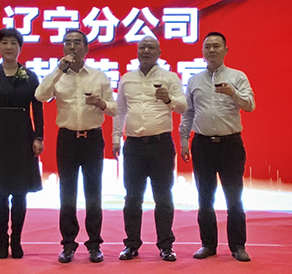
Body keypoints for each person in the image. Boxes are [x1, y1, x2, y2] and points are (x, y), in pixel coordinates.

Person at [35, 30, 117, 264]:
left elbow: (114, 109)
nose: (72, 47)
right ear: (63, 48)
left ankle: (94, 244)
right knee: (67, 193)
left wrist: (101, 103)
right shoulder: (58, 75)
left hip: (92, 139)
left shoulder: (99, 76)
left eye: (77, 43)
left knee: (93, 193)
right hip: (67, 139)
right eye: (68, 43)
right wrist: (58, 70)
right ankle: (68, 244)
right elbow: (40, 95)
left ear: (86, 48)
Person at [179, 31, 255, 262]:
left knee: (234, 197)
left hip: (230, 144)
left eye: (216, 46)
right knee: (205, 198)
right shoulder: (194, 80)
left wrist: (233, 92)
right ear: (203, 51)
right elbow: (188, 113)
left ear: (226, 50)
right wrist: (184, 140)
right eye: (207, 46)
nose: (211, 50)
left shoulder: (237, 76)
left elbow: (250, 105)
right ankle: (208, 244)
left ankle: (238, 246)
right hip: (202, 144)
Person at [112, 36, 187, 262]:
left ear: (159, 52)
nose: (145, 51)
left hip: (161, 144)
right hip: (134, 145)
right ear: (137, 52)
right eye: (142, 47)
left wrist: (169, 100)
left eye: (150, 48)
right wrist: (116, 138)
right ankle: (131, 244)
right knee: (132, 198)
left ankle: (166, 245)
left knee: (163, 197)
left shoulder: (170, 77)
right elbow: (120, 110)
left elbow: (183, 106)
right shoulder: (127, 79)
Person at [0, 27, 44, 260]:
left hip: (23, 134)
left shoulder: (30, 76)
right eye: (4, 43)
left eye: (13, 43)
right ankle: (2, 241)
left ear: (20, 48)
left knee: (20, 192)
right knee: (0, 192)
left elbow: (38, 109)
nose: (9, 47)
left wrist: (39, 137)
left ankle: (17, 241)